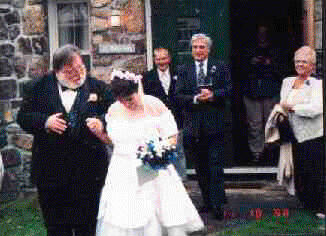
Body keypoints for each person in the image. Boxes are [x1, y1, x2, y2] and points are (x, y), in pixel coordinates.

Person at [89, 71, 204, 236]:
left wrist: (159, 152)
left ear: (138, 89)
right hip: (122, 170)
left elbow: (172, 135)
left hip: (151, 166)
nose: (127, 104)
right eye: (121, 100)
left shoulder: (154, 105)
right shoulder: (114, 110)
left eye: (130, 99)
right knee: (125, 215)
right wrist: (99, 133)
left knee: (154, 210)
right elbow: (114, 142)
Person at [17, 44, 114, 236]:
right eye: (70, 72)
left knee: (87, 227)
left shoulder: (98, 87)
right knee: (56, 228)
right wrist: (45, 121)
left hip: (89, 172)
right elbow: (23, 117)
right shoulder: (38, 87)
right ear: (57, 71)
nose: (78, 74)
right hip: (50, 172)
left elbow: (114, 112)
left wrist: (101, 122)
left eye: (80, 68)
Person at [175, 33, 232, 220]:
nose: (198, 50)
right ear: (191, 50)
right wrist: (195, 98)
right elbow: (178, 96)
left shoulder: (221, 66)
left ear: (208, 49)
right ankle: (207, 202)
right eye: (195, 47)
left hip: (214, 125)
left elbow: (229, 89)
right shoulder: (184, 69)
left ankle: (218, 205)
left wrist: (213, 94)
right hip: (193, 127)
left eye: (202, 47)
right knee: (200, 167)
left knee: (215, 166)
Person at [278, 46, 324, 216]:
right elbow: (283, 102)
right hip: (293, 133)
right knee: (300, 171)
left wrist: (293, 108)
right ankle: (306, 203)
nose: (300, 64)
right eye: (297, 61)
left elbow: (316, 108)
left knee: (316, 171)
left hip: (313, 134)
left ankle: (321, 207)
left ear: (312, 65)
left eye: (304, 61)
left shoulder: (318, 85)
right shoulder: (287, 81)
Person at [242, 23, 286, 162]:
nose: (262, 36)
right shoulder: (249, 49)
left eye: (264, 32)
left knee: (271, 122)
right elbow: (240, 68)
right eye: (259, 33)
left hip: (270, 90)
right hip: (252, 91)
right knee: (254, 124)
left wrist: (270, 63)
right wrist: (252, 62)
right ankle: (257, 153)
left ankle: (271, 151)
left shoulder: (276, 50)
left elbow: (281, 70)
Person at [142, 47, 186, 180]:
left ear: (169, 59)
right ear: (155, 60)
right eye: (158, 59)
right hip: (156, 120)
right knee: (158, 150)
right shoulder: (147, 77)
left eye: (164, 58)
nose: (161, 62)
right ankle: (162, 181)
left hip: (177, 118)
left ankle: (181, 180)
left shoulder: (180, 73)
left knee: (178, 150)